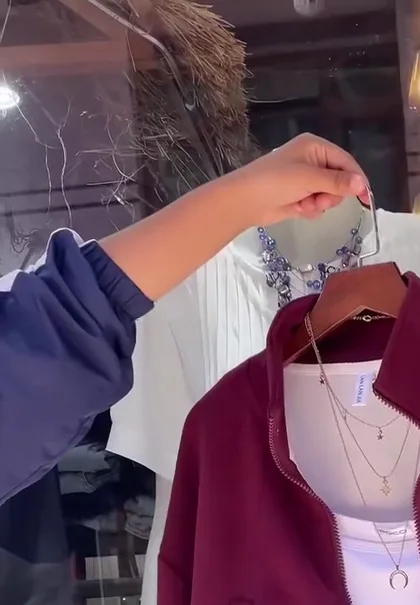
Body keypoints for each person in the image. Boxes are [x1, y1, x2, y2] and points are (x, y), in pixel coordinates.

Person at [0, 133, 368, 506]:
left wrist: (244, 197)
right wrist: (243, 198)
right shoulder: (191, 283)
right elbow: (46, 350)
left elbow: (45, 343)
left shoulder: (409, 253)